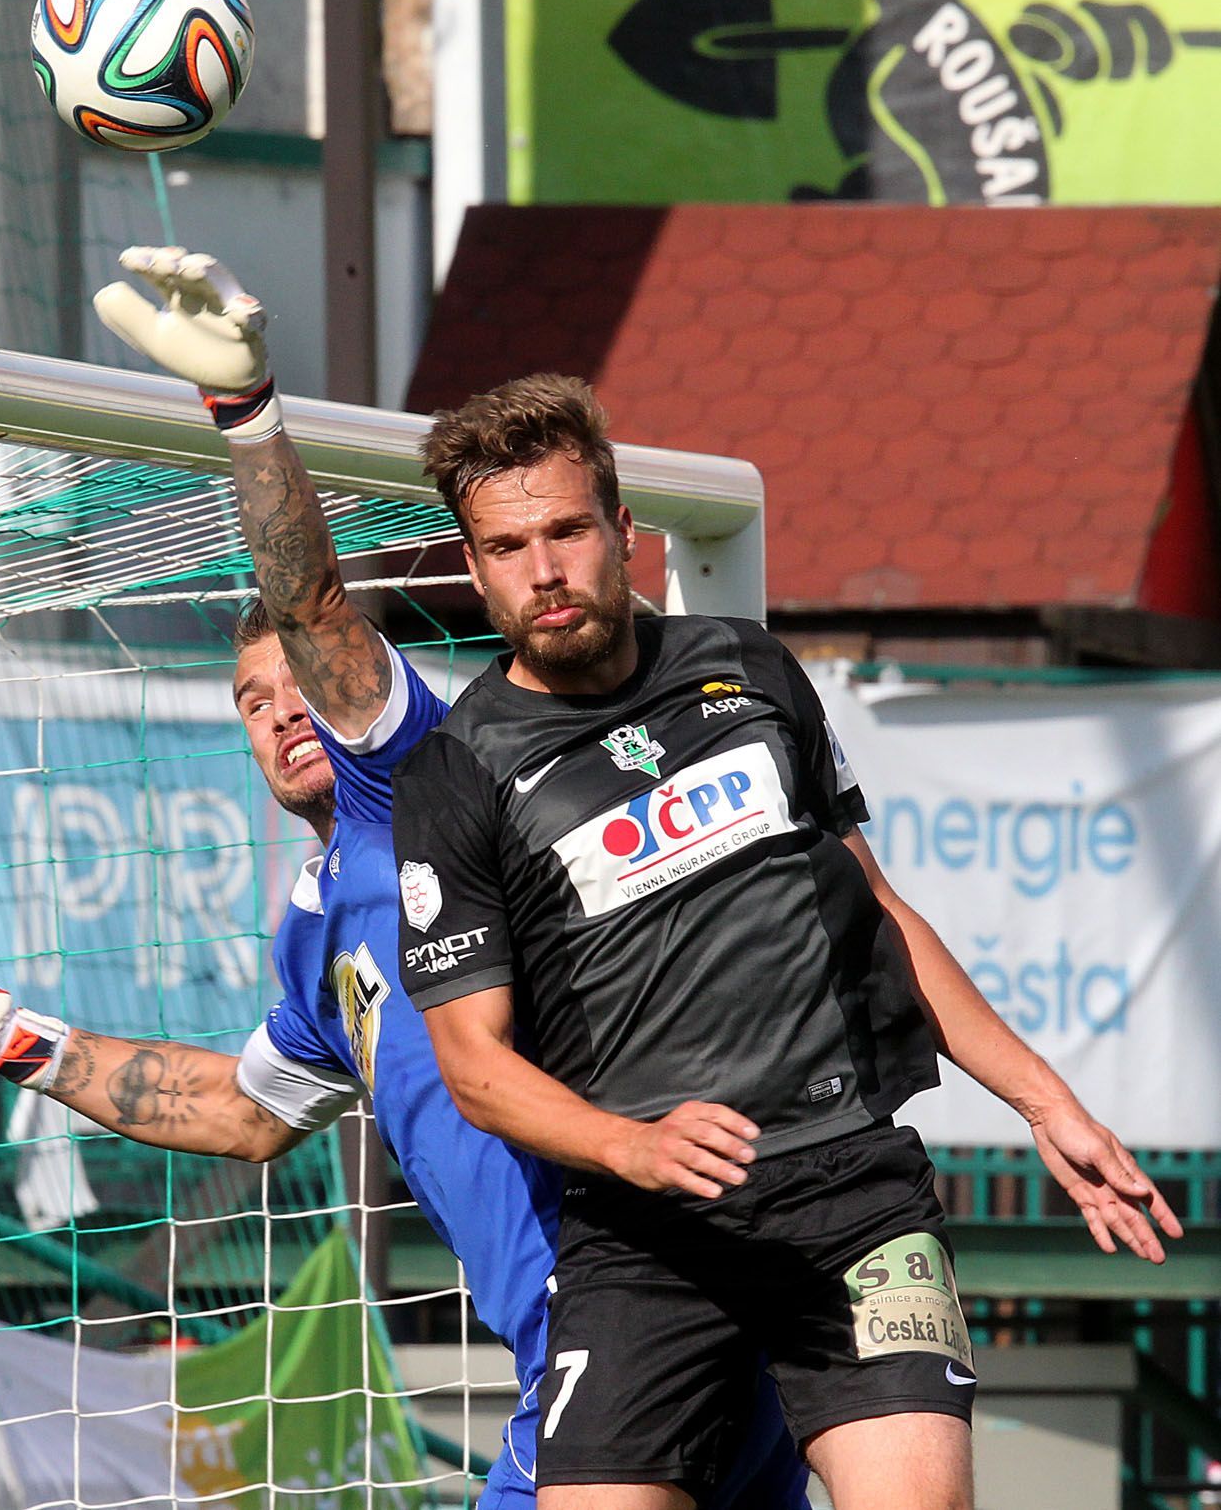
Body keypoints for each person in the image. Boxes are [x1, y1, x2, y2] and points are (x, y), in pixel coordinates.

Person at [0, 250, 809, 1510]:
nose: (286, 710)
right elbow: (244, 1109)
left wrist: (247, 413)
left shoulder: (427, 783)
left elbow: (316, 603)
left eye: (303, 685)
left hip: (631, 1327)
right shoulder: (317, 931)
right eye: (254, 699)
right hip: (600, 1343)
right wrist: (14, 1037)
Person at [387, 374, 1185, 1510]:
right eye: (507, 547)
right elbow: (473, 1065)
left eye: (567, 530)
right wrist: (630, 1146)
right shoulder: (456, 771)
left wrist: (1045, 1101)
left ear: (623, 530)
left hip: (848, 1191)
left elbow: (881, 911)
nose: (544, 570)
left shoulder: (749, 667)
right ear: (475, 569)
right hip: (643, 1233)